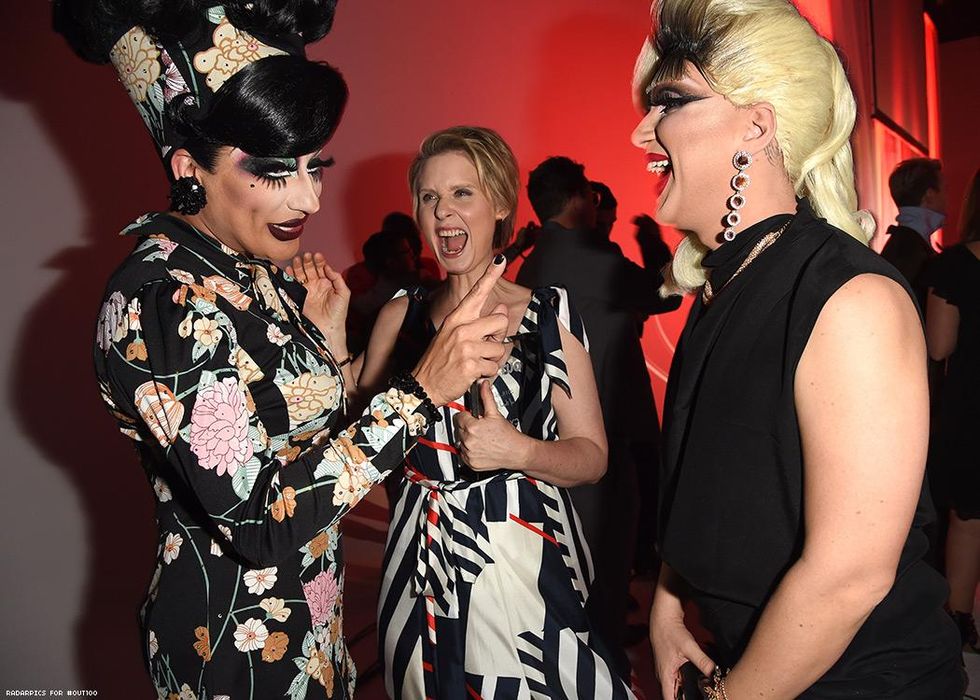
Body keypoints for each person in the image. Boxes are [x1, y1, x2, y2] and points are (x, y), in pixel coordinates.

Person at [57, 2, 510, 697]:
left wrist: (328, 346)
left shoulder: (250, 271)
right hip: (235, 652)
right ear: (189, 167)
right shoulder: (164, 300)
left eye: (313, 164)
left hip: (311, 631)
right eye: (273, 170)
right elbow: (258, 522)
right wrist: (420, 390)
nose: (309, 196)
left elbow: (292, 441)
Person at [631, 1, 964, 698]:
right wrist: (666, 605)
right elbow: (704, 490)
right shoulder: (719, 291)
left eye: (670, 101)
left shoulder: (852, 301)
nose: (641, 132)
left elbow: (849, 577)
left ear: (757, 123)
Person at [353, 126, 634, 698]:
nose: (443, 212)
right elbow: (358, 444)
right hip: (417, 568)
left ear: (501, 204)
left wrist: (518, 451)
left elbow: (593, 457)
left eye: (463, 194)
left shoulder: (547, 317)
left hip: (524, 566)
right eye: (430, 198)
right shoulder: (400, 318)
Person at [516, 156, 681, 676]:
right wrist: (653, 240)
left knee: (567, 548)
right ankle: (601, 661)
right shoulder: (598, 260)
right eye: (589, 193)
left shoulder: (532, 262)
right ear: (576, 199)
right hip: (600, 427)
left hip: (546, 430)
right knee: (606, 546)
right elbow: (665, 293)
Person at [923, 167, 980, 653]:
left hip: (972, 406)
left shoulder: (956, 265)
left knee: (969, 517)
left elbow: (939, 347)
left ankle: (961, 622)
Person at [880, 157, 946, 307]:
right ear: (929, 195)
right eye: (945, 189)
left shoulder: (900, 245)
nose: (947, 198)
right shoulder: (912, 252)